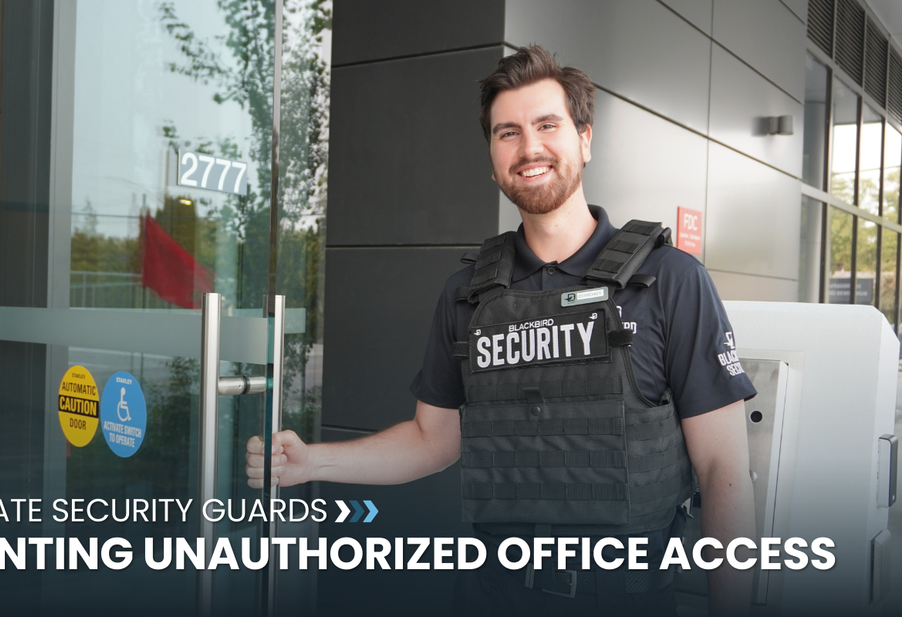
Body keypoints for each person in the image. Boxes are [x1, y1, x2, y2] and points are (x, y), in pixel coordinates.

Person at [247, 45, 757, 616]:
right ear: (492, 160)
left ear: (585, 139)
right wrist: (312, 463)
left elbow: (723, 471)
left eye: (547, 125)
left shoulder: (671, 281)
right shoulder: (467, 294)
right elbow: (431, 441)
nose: (529, 147)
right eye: (507, 132)